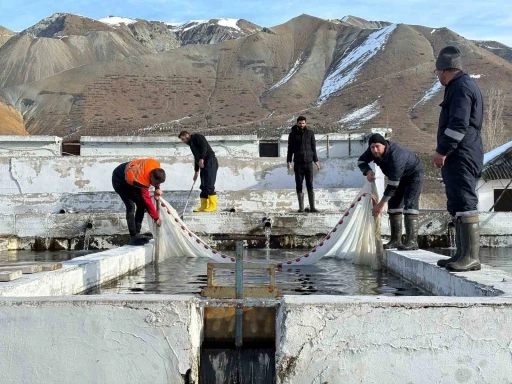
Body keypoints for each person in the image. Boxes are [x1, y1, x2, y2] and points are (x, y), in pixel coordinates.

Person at [432, 46, 484, 272]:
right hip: (459, 153)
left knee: (464, 199)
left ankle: (471, 257)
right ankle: (462, 254)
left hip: (462, 153)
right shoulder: (461, 85)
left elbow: (458, 124)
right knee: (456, 201)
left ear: (443, 70)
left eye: (437, 73)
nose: (438, 77)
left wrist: (442, 150)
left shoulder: (461, 87)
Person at [358, 133, 424, 250]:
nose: (375, 150)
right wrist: (368, 172)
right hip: (396, 178)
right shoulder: (372, 151)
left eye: (377, 146)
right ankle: (395, 241)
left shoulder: (396, 155)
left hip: (413, 175)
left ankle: (412, 241)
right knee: (394, 206)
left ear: (384, 145)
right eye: (372, 147)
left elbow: (393, 185)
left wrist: (380, 205)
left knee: (410, 205)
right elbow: (361, 161)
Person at [112, 158, 165, 246]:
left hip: (132, 178)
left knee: (141, 205)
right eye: (154, 183)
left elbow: (156, 180)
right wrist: (156, 218)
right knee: (131, 206)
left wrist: (157, 188)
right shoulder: (142, 180)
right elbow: (147, 200)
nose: (153, 185)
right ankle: (133, 237)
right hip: (119, 180)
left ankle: (137, 233)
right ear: (151, 176)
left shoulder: (156, 166)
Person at [286, 116, 321, 213]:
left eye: (303, 123)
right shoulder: (292, 135)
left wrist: (316, 161)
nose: (301, 125)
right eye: (300, 123)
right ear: (297, 123)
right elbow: (290, 149)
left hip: (308, 163)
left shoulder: (310, 133)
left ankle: (312, 207)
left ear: (306, 123)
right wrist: (289, 161)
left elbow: (313, 148)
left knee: (310, 184)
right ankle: (301, 208)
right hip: (298, 163)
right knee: (299, 185)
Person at [178, 131, 218, 212]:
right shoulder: (191, 145)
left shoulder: (197, 137)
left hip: (210, 161)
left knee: (209, 184)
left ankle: (213, 206)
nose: (183, 141)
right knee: (203, 185)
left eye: (183, 139)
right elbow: (196, 158)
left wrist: (202, 158)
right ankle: (203, 206)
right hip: (203, 164)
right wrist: (196, 172)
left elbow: (204, 147)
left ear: (187, 135)